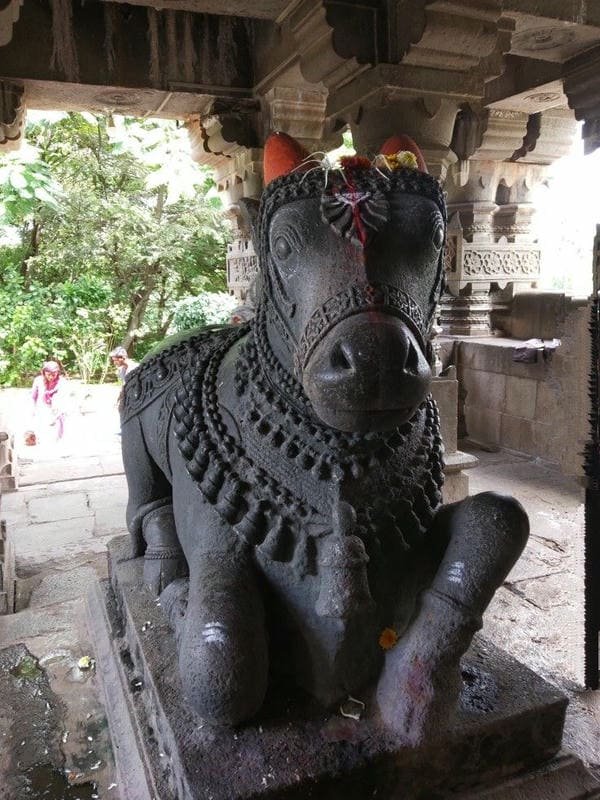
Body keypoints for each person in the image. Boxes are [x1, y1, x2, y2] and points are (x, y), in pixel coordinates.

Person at [30, 360, 68, 442]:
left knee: (57, 436)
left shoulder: (62, 382)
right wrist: (33, 409)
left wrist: (56, 413)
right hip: (42, 410)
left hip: (57, 411)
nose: (51, 377)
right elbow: (33, 397)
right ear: (44, 373)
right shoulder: (38, 381)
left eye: (53, 375)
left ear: (58, 373)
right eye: (48, 375)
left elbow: (63, 400)